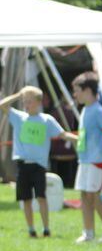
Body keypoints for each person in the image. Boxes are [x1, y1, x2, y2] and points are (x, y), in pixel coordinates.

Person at [0, 86, 77, 237]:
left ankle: (46, 229)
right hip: (23, 165)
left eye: (29, 101)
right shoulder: (19, 117)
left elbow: (62, 134)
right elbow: (2, 105)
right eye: (24, 101)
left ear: (38, 102)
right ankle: (31, 229)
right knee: (26, 199)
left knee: (41, 197)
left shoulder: (46, 120)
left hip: (39, 166)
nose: (26, 105)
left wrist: (79, 139)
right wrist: (18, 95)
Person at [71, 71, 102, 244]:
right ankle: (88, 233)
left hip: (98, 161)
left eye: (77, 91)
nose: (75, 95)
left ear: (88, 90)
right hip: (84, 160)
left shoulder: (98, 111)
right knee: (84, 196)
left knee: (94, 196)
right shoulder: (85, 109)